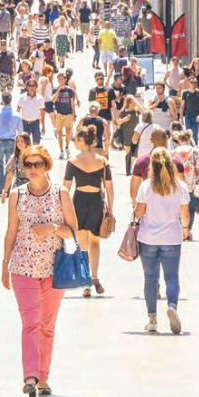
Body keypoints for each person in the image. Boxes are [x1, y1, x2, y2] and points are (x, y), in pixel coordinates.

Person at [2, 145, 78, 397]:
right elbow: (11, 231)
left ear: (47, 166)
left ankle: (43, 377)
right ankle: (30, 376)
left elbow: (73, 232)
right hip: (22, 267)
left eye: (38, 164)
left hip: (54, 269)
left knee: (47, 325)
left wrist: (52, 228)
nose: (33, 169)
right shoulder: (17, 195)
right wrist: (4, 263)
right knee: (30, 323)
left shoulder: (60, 193)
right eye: (28, 165)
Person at [134, 148, 191, 334]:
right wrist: (185, 228)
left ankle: (152, 320)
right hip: (172, 238)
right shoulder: (180, 187)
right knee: (172, 277)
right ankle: (172, 306)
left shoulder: (146, 186)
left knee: (150, 278)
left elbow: (139, 213)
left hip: (148, 238)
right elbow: (185, 214)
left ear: (152, 165)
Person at [63, 126, 114, 297]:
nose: (74, 142)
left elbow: (65, 188)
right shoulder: (103, 161)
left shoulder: (73, 162)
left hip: (79, 202)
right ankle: (94, 276)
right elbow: (109, 188)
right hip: (96, 201)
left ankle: (86, 284)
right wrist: (110, 210)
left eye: (76, 139)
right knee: (95, 242)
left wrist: (63, 210)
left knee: (82, 244)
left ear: (83, 140)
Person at [0, 93, 24, 194]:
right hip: (11, 142)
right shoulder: (17, 115)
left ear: (2, 100)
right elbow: (20, 132)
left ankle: (0, 188)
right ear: (11, 101)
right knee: (9, 166)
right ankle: (7, 189)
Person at [51, 72, 78, 161]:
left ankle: (67, 147)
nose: (61, 81)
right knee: (59, 133)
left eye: (62, 79)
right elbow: (53, 100)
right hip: (59, 113)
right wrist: (58, 90)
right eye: (59, 79)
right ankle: (61, 151)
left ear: (65, 80)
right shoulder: (55, 89)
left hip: (68, 113)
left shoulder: (70, 90)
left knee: (68, 132)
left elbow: (72, 103)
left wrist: (74, 114)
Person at [1, 132, 32, 202]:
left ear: (27, 142)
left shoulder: (33, 156)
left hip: (31, 187)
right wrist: (4, 192)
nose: (19, 143)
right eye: (18, 141)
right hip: (18, 187)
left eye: (22, 141)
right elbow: (9, 176)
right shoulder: (15, 157)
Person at [180, 73, 199, 142]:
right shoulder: (185, 93)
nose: (193, 84)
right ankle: (189, 146)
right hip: (188, 116)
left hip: (196, 116)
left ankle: (195, 147)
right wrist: (181, 118)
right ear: (189, 83)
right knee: (188, 134)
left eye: (195, 82)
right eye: (192, 82)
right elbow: (182, 106)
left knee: (195, 134)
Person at [17, 79, 43, 144]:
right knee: (24, 144)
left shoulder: (40, 98)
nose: (31, 87)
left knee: (36, 144)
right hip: (24, 123)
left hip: (35, 123)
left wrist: (43, 125)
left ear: (36, 87)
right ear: (27, 86)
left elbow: (42, 112)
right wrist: (18, 124)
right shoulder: (22, 97)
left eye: (33, 85)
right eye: (30, 85)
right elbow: (18, 110)